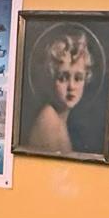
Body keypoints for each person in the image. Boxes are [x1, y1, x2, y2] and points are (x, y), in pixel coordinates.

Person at [21, 25, 95, 155]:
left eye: (78, 78)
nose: (71, 86)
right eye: (62, 78)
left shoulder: (60, 118)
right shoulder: (49, 121)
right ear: (51, 77)